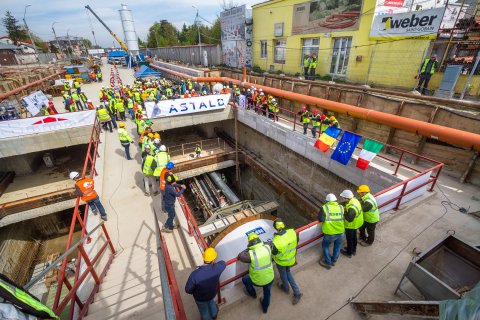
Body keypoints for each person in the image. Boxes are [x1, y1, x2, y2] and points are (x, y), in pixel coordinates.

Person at [185, 248, 226, 320]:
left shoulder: (195, 275)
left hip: (200, 298)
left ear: (203, 259)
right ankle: (214, 315)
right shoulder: (218, 268)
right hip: (212, 294)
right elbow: (223, 263)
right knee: (211, 302)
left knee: (204, 312)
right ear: (213, 260)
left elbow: (188, 290)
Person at [238, 232, 274, 314]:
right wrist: (262, 243)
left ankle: (253, 294)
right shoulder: (267, 247)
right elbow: (270, 243)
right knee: (267, 293)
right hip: (270, 278)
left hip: (257, 281)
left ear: (249, 242)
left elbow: (240, 256)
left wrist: (249, 248)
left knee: (245, 279)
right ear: (258, 239)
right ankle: (265, 308)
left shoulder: (250, 254)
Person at [271, 219, 302, 305]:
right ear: (283, 225)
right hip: (291, 259)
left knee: (284, 274)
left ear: (276, 228)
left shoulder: (276, 241)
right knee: (288, 272)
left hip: (281, 262)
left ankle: (286, 288)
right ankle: (296, 292)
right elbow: (296, 242)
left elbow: (274, 253)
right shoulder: (292, 232)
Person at [318, 193, 344, 269]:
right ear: (335, 200)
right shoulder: (341, 207)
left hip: (330, 232)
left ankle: (328, 263)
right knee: (338, 246)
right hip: (341, 231)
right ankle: (334, 260)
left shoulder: (325, 207)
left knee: (325, 246)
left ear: (327, 201)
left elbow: (320, 219)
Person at [339, 190, 363, 258]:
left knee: (349, 239)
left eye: (343, 198)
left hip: (351, 225)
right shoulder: (354, 200)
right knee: (354, 237)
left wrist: (343, 211)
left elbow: (349, 219)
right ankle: (353, 250)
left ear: (347, 198)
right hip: (356, 223)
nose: (343, 199)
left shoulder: (352, 208)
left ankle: (349, 253)